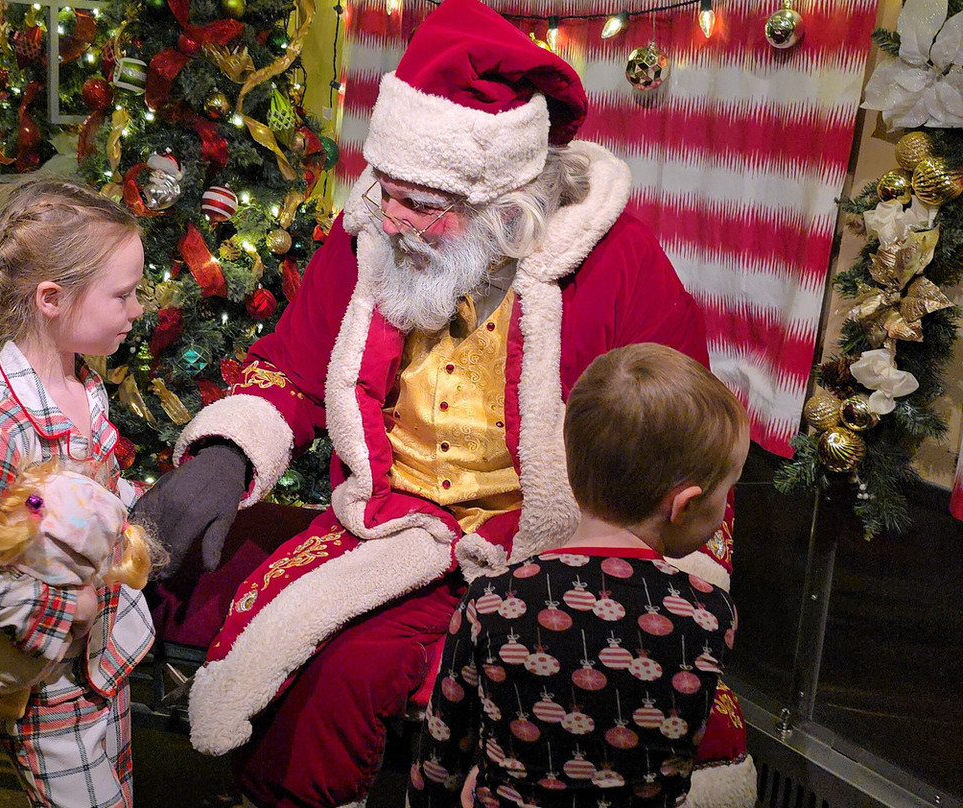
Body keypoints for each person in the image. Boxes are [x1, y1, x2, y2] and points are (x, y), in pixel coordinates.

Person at [136, 0, 754, 804]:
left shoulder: (617, 262)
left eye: (424, 204)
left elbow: (677, 438)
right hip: (396, 524)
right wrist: (223, 459)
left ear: (510, 198)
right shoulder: (373, 234)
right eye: (388, 190)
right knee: (318, 687)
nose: (394, 220)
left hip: (555, 541)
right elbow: (290, 365)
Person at [408, 342, 749, 808]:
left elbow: (437, 767)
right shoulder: (711, 614)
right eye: (726, 492)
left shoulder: (491, 600)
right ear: (684, 505)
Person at [0, 178, 157, 808]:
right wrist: (63, 614)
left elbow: (90, 499)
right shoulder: (1, 423)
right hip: (48, 687)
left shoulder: (87, 389)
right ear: (52, 298)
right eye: (123, 294)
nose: (138, 309)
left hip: (105, 668)